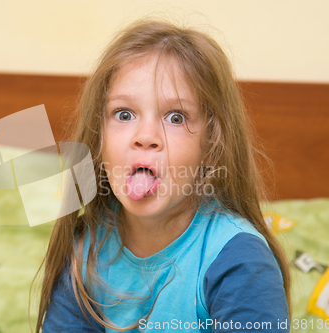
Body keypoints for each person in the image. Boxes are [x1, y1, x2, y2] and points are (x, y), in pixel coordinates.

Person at [35, 19, 290, 333]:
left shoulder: (240, 263)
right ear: (99, 140)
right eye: (124, 114)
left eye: (175, 117)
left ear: (210, 147)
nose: (145, 136)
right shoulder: (86, 250)